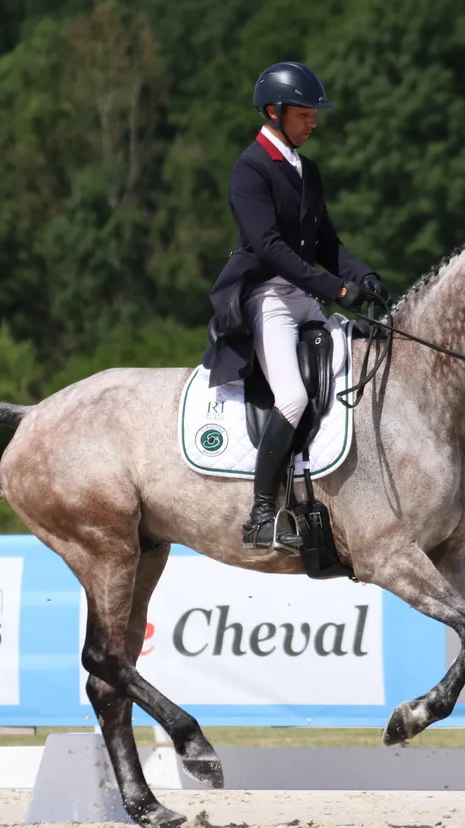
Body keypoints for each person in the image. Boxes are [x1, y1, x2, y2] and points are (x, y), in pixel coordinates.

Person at [202, 60, 388, 551]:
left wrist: (361, 274)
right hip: (270, 298)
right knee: (293, 398)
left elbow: (327, 242)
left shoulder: (307, 169)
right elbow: (268, 247)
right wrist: (335, 290)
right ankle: (262, 515)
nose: (314, 122)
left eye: (313, 114)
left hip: (307, 295)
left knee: (363, 369)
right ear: (274, 112)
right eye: (305, 114)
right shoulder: (250, 168)